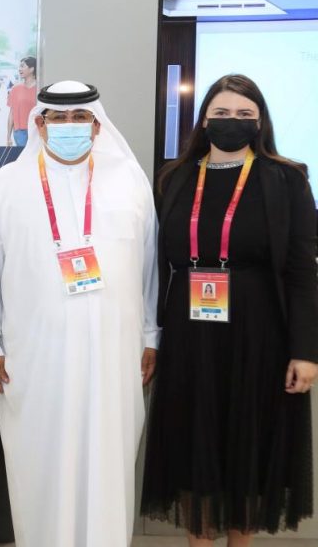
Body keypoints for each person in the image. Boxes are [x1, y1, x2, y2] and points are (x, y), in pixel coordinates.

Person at [0, 80, 159, 546]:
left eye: (80, 118)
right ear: (40, 124)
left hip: (115, 355)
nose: (69, 126)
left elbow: (149, 267)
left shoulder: (129, 181)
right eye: (58, 117)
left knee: (108, 460)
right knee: (40, 460)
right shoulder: (5, 186)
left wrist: (151, 336)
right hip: (35, 358)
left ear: (97, 126)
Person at [142, 74, 317, 546]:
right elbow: (157, 262)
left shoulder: (287, 178)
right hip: (188, 332)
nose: (231, 121)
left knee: (247, 451)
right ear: (204, 120)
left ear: (260, 122)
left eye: (244, 114)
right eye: (221, 113)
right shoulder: (174, 178)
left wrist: (305, 351)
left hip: (258, 336)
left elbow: (303, 272)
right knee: (192, 447)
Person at [6, 56, 37, 147]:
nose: (19, 69)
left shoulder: (40, 88)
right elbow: (11, 114)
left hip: (36, 130)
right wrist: (8, 137)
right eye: (19, 66)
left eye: (22, 66)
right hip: (20, 133)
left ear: (31, 69)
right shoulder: (15, 89)